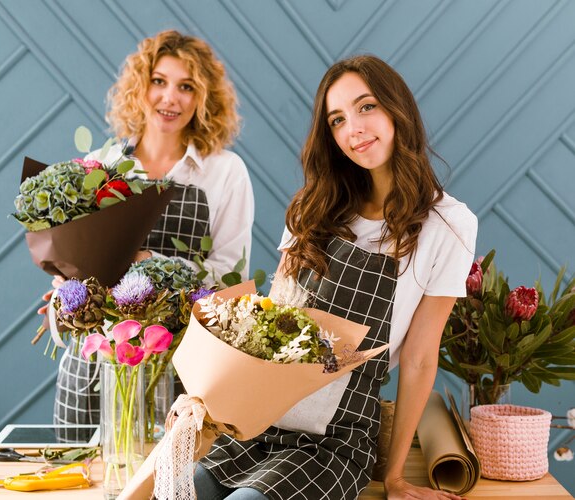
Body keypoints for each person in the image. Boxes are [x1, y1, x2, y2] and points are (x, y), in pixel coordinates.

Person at [194, 55, 477, 499]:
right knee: (181, 488)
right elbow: (272, 321)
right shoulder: (314, 207)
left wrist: (396, 477)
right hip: (261, 420)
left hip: (336, 439)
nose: (354, 130)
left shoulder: (448, 225)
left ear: (396, 108)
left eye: (366, 108)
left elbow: (421, 359)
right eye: (338, 120)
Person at [41, 30, 255, 427]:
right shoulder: (99, 165)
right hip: (95, 367)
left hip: (178, 366)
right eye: (159, 81)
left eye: (186, 86)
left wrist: (146, 264)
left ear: (204, 99)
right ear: (140, 88)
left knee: (171, 484)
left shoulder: (225, 173)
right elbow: (72, 265)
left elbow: (230, 279)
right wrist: (64, 300)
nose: (170, 97)